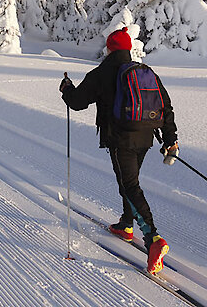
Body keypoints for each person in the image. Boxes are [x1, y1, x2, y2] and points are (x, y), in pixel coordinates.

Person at [59, 27, 178, 275]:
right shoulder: (145, 72)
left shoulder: (102, 73)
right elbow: (165, 107)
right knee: (129, 181)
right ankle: (126, 224)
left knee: (129, 186)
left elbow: (77, 102)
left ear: (110, 48)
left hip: (120, 138)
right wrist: (170, 140)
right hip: (146, 137)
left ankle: (153, 239)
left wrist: (66, 88)